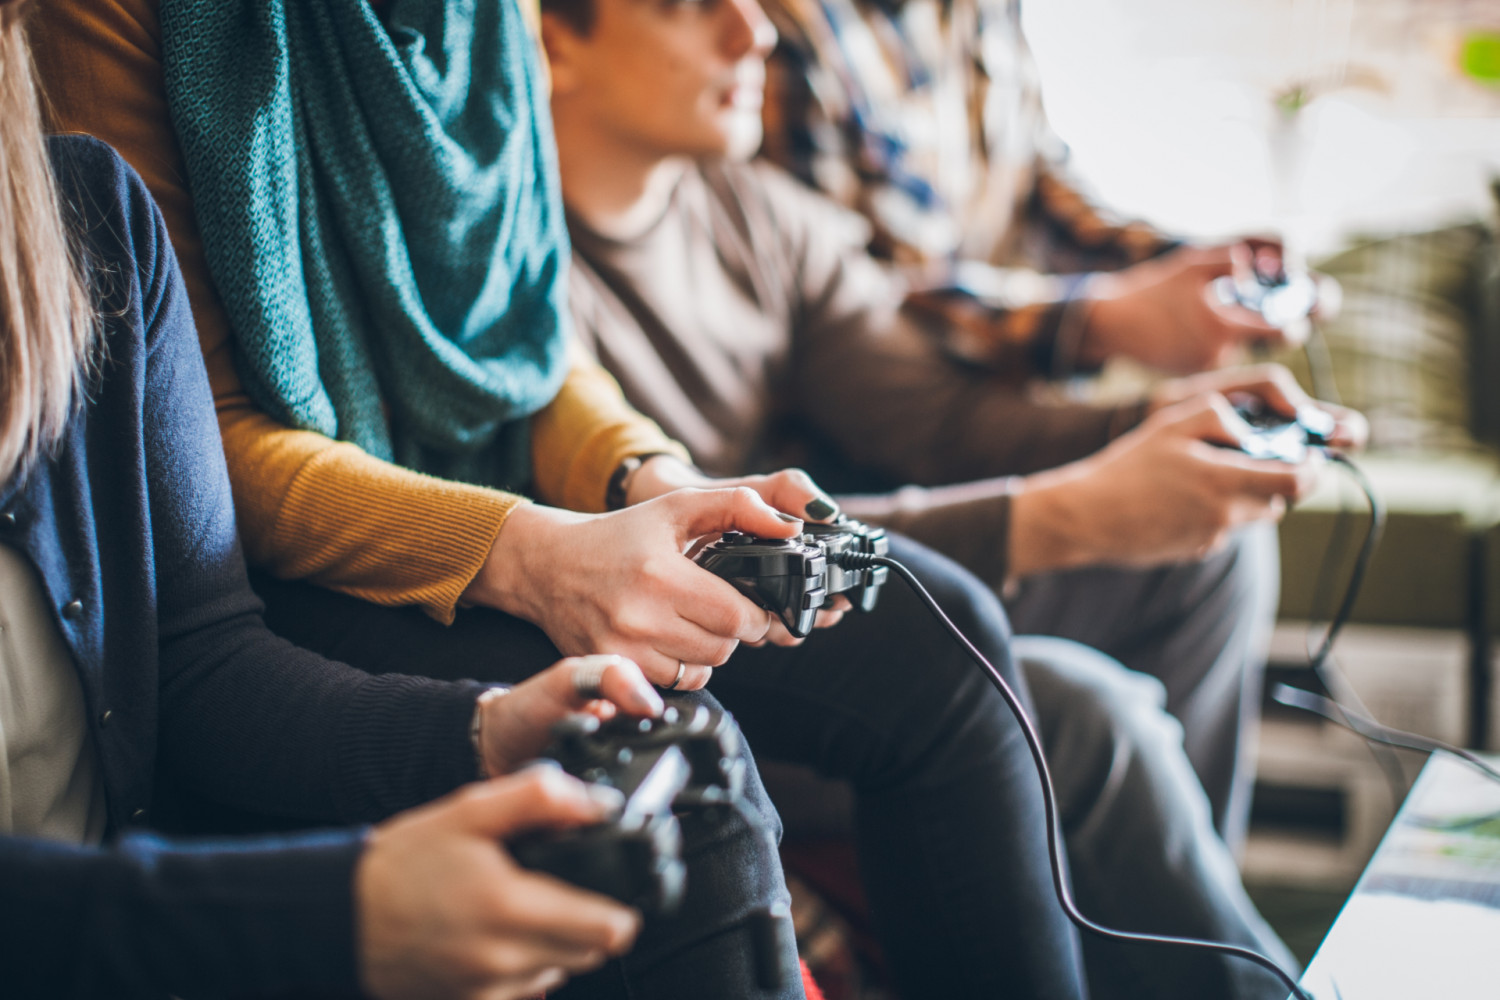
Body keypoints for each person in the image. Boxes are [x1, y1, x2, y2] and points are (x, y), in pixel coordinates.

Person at [27, 1, 1120, 997]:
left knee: (941, 635)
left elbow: (531, 344)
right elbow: (192, 444)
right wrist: (535, 554)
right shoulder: (110, 37)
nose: (756, 31)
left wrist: (652, 479)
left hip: (503, 501)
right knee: (677, 768)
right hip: (286, 563)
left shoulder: (485, 24)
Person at [0, 3, 806, 996]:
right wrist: (343, 913)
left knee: (687, 756)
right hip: (181, 868)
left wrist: (485, 727)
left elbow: (199, 659)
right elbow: (227, 444)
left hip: (166, 853)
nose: (757, 29)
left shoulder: (91, 216)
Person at [548, 0, 1367, 849]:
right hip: (717, 664)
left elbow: (937, 421)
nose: (751, 31)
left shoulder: (759, 212)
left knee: (1205, 554)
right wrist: (1067, 511)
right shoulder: (525, 293)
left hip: (819, 590)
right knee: (1080, 708)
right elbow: (681, 566)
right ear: (550, 39)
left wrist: (1161, 423)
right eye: (687, 7)